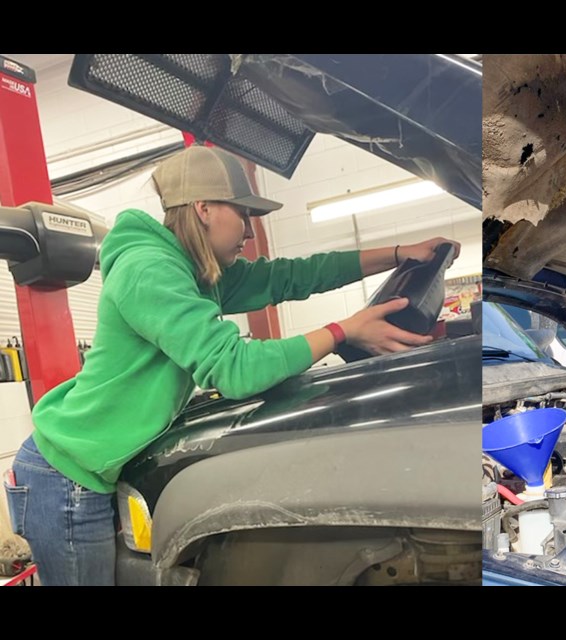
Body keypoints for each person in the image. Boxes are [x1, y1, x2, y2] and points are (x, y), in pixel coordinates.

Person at [4, 144, 461, 585]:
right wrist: (343, 331)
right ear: (204, 208)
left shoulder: (196, 270)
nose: (249, 229)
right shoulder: (149, 270)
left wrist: (399, 253)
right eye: (242, 213)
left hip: (93, 469)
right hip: (66, 477)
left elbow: (293, 276)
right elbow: (234, 368)